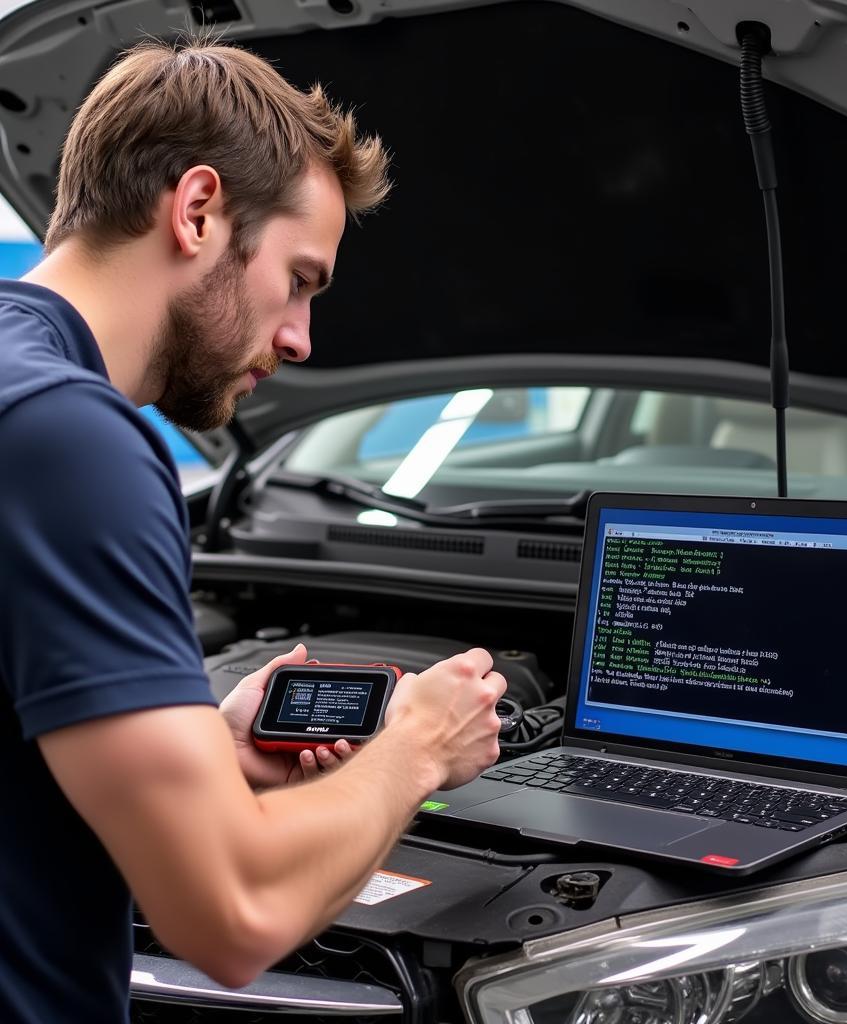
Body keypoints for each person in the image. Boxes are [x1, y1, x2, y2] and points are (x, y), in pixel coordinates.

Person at [0, 36, 505, 1023]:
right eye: (301, 279)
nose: (300, 340)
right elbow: (233, 912)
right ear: (197, 212)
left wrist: (208, 753)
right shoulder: (70, 441)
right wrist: (419, 748)